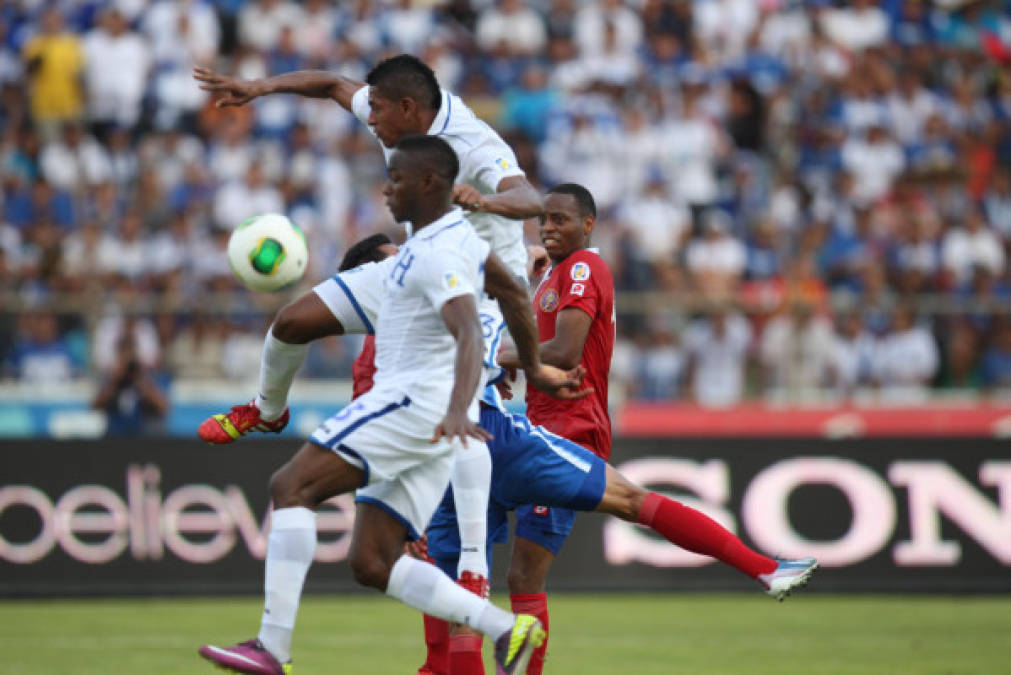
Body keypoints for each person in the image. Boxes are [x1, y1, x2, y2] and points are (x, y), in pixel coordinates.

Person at [331, 190, 818, 675]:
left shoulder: (567, 271)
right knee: (582, 529)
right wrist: (496, 355)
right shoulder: (416, 316)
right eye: (394, 263)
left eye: (557, 219)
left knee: (478, 592)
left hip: (505, 442)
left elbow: (375, 416)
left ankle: (763, 568)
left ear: (586, 224)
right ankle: (763, 568)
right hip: (503, 438)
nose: (546, 227)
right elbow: (517, 339)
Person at [198, 136, 584, 675]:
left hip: (413, 404)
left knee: (291, 487)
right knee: (373, 563)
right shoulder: (460, 242)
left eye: (397, 179)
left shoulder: (433, 253)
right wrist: (537, 366)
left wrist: (455, 404)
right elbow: (515, 295)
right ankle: (506, 629)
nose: (386, 189)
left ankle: (271, 647)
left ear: (429, 184)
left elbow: (468, 327)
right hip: (433, 421)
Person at [194, 53, 544, 595]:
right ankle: (267, 412)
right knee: (291, 322)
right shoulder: (397, 111)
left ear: (408, 108)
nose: (370, 118)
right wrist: (256, 87)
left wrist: (488, 200)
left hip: (480, 291)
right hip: (417, 264)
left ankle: (468, 561)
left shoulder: (475, 146)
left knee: (460, 415)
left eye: (378, 110)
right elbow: (332, 83)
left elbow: (531, 198)